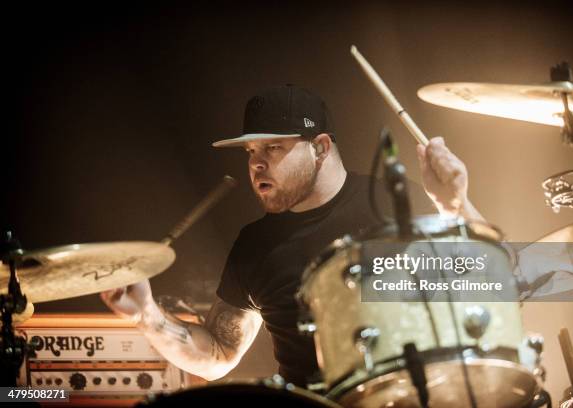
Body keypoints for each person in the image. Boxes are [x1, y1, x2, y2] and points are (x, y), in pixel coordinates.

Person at [100, 84, 484, 386]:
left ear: (320, 147)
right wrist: (147, 317)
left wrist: (455, 205)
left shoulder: (395, 203)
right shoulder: (255, 246)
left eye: (274, 147)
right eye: (251, 151)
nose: (256, 164)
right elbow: (219, 354)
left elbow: (500, 286)